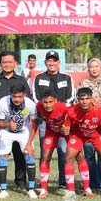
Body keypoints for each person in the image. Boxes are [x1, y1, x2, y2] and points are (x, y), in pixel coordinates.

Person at [61, 87, 101, 199]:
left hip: (96, 135)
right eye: (81, 99)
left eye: (87, 99)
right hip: (78, 135)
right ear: (77, 99)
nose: (84, 102)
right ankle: (73, 190)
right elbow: (65, 129)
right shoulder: (71, 111)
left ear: (92, 99)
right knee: (69, 156)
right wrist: (65, 133)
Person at [33, 50, 74, 189]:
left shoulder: (66, 77)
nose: (52, 63)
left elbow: (71, 98)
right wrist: (46, 113)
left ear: (59, 63)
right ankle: (43, 182)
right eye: (49, 61)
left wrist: (59, 111)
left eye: (54, 61)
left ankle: (63, 181)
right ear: (45, 63)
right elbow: (35, 98)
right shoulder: (39, 78)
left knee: (63, 150)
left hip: (62, 120)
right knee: (46, 151)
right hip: (45, 121)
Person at [0, 51, 29, 191]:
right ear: (0, 63)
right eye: (4, 62)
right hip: (0, 123)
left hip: (19, 124)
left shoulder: (21, 80)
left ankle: (21, 181)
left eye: (10, 62)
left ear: (15, 63)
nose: (7, 64)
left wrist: (19, 117)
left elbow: (27, 101)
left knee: (20, 153)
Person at [0, 83, 38, 199]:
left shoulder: (30, 104)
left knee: (29, 155)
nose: (17, 99)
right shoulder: (3, 103)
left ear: (24, 95)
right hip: (7, 131)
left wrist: (29, 144)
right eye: (14, 96)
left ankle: (31, 189)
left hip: (24, 130)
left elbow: (34, 124)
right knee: (2, 156)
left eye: (20, 96)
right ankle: (3, 190)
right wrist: (8, 125)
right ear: (10, 95)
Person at [78, 57, 101, 190]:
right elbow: (79, 103)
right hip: (88, 125)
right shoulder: (83, 83)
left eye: (96, 66)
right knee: (89, 154)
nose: (94, 69)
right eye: (91, 67)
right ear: (88, 69)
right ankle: (93, 182)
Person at [30, 90, 70, 198]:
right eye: (45, 102)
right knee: (45, 157)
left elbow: (75, 113)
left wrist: (66, 126)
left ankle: (74, 187)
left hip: (65, 132)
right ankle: (44, 189)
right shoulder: (38, 106)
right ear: (41, 101)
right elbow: (33, 120)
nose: (48, 105)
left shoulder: (64, 107)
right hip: (51, 131)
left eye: (50, 102)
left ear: (56, 101)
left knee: (72, 155)